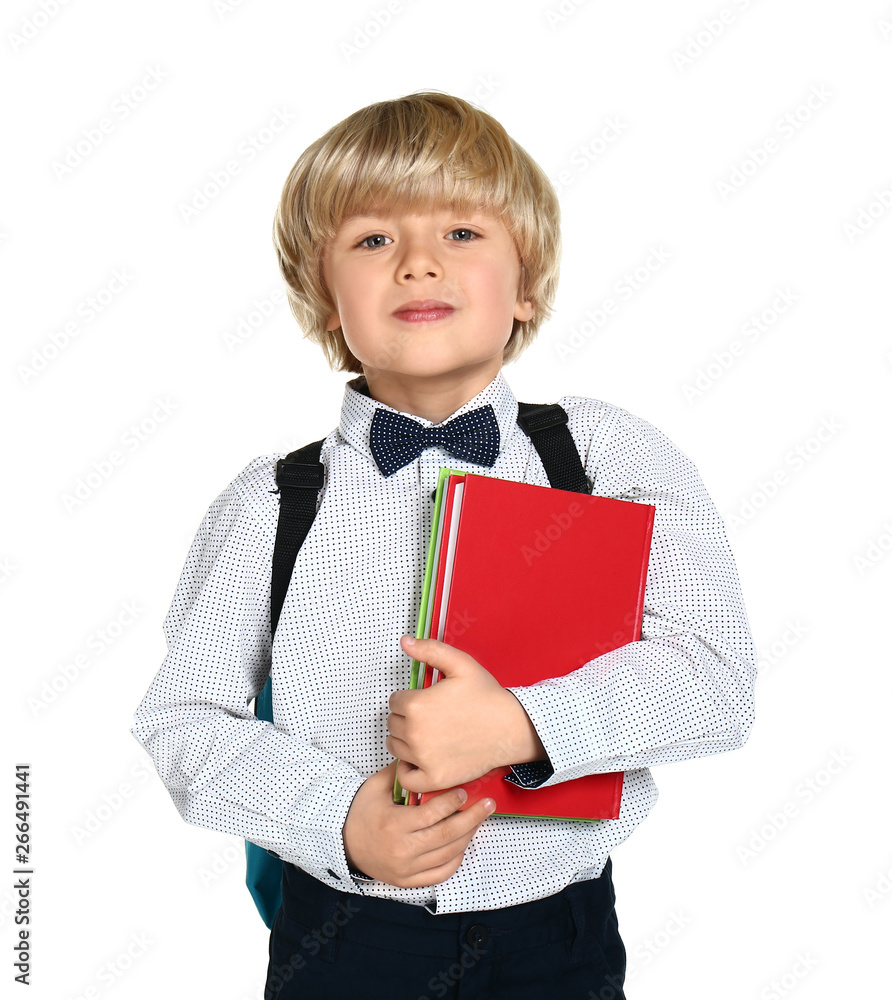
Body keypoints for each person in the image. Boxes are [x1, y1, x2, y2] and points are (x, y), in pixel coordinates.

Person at [131, 91, 756, 1000]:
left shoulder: (609, 457)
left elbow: (713, 680)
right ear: (325, 298)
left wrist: (522, 725)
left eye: (462, 233)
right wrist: (338, 817)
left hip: (558, 935)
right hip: (342, 939)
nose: (419, 263)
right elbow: (184, 721)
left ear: (527, 283)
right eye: (374, 240)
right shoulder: (269, 502)